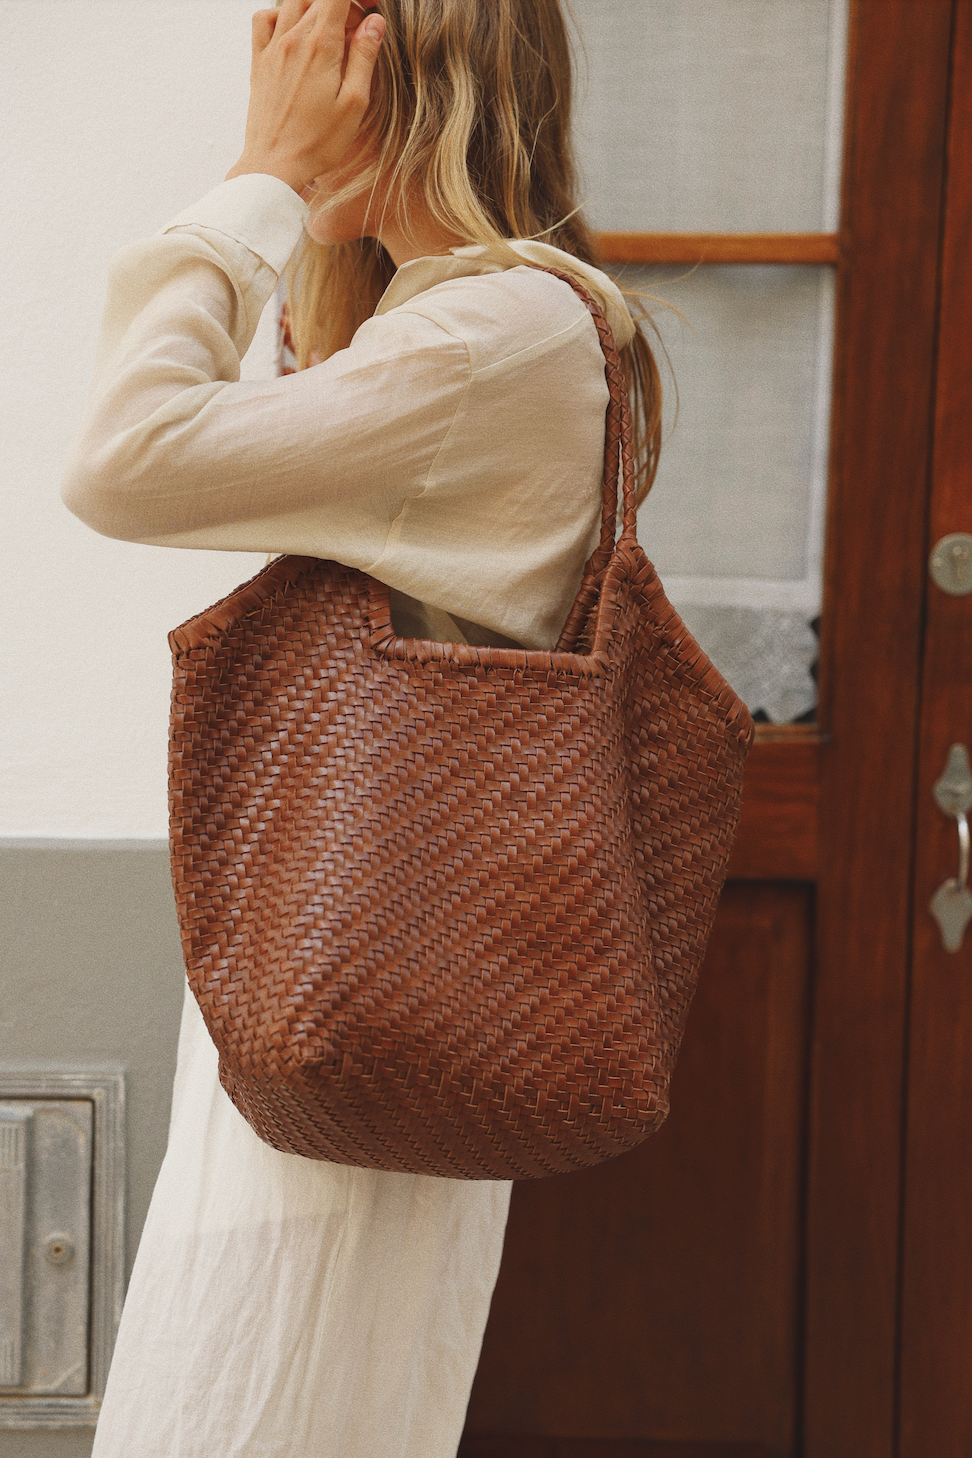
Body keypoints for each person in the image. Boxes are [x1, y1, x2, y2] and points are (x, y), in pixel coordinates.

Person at [62, 2, 662, 1454]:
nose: (276, 80)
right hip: (351, 981)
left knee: (242, 1413)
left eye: (311, 53)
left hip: (365, 986)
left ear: (409, 77)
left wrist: (262, 174)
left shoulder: (496, 328)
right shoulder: (449, 322)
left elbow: (123, 458)